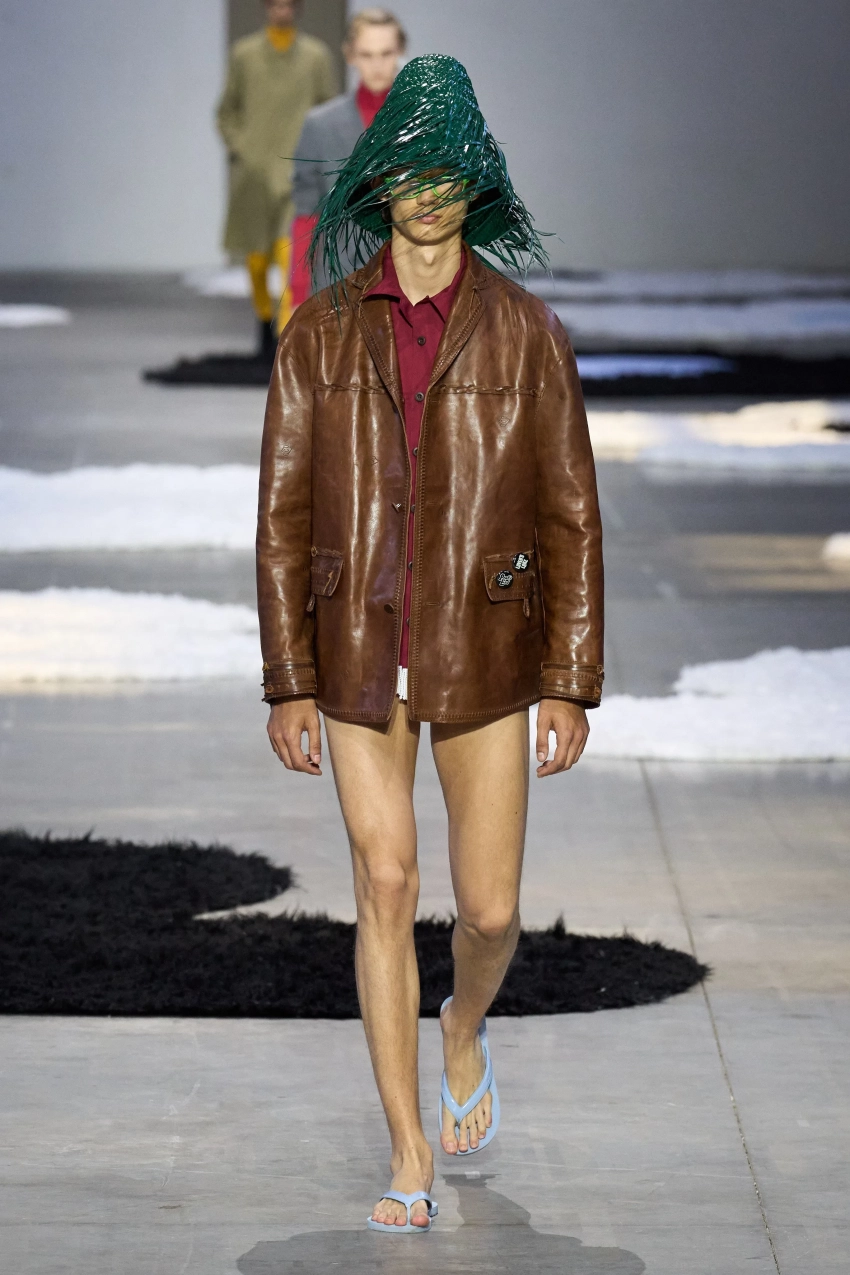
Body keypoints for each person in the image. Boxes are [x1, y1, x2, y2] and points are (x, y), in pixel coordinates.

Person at [257, 56, 604, 1234]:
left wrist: (570, 678)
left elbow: (571, 512)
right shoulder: (318, 334)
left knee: (490, 911)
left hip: (484, 642)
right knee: (387, 883)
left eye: (447, 168)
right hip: (357, 642)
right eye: (409, 167)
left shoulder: (527, 334)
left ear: (475, 182)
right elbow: (280, 516)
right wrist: (288, 678)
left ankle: (461, 1025)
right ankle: (407, 1149)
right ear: (380, 180)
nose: (427, 191)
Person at [216, 0, 336, 359]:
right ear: (266, 7)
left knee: (290, 254)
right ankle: (263, 322)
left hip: (298, 170)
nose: (281, 10)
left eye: (288, 4)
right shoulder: (245, 55)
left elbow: (329, 110)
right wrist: (242, 148)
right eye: (276, 3)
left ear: (297, 8)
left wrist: (318, 154)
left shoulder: (315, 57)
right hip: (254, 173)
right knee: (255, 258)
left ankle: (285, 333)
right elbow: (226, 111)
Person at [289, 8, 407, 307]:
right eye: (367, 55)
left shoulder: (420, 123)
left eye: (386, 53)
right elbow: (306, 213)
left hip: (408, 280)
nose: (377, 65)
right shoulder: (320, 125)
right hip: (336, 279)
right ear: (350, 55)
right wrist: (299, 290)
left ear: (400, 51)